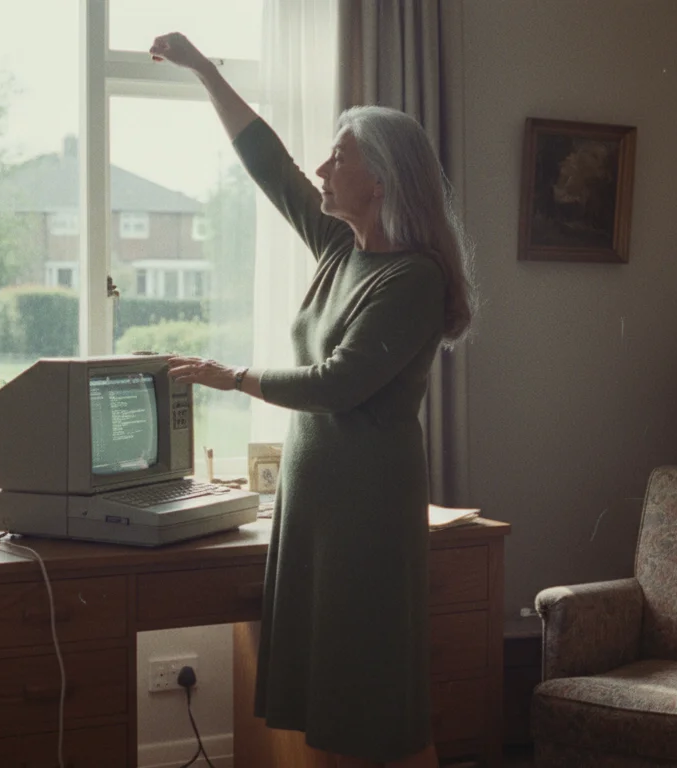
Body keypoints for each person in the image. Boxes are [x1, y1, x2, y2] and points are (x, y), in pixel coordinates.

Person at [151, 31, 474, 768]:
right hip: (316, 500)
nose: (322, 168)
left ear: (383, 180)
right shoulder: (340, 245)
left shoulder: (413, 280)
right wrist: (206, 70)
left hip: (366, 509)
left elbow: (337, 382)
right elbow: (269, 162)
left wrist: (230, 376)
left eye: (340, 156)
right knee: (323, 691)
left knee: (366, 695)